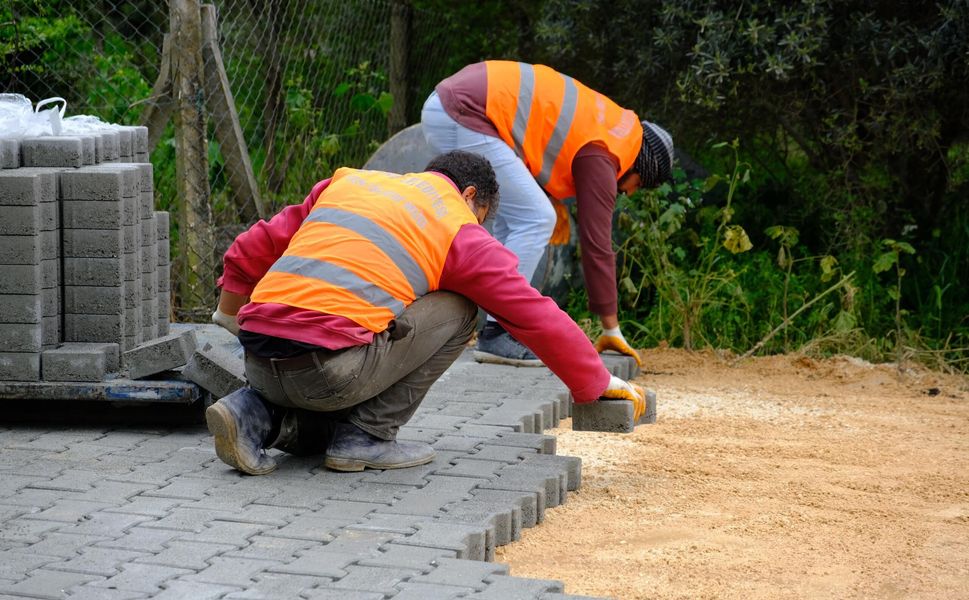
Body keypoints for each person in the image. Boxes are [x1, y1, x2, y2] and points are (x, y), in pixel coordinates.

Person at [206, 150, 647, 475]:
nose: (478, 227)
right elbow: (532, 313)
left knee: (326, 331)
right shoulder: (456, 225)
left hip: (257, 357)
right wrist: (597, 381)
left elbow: (253, 245)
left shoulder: (345, 184)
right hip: (327, 375)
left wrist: (228, 317)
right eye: (482, 216)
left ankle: (252, 411)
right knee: (462, 308)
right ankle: (366, 436)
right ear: (471, 196)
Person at [421, 60, 674, 367]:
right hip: (464, 112)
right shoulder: (605, 153)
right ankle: (498, 333)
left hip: (453, 105)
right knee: (537, 218)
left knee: (513, 223)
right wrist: (611, 327)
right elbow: (597, 245)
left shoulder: (609, 128)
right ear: (642, 166)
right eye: (640, 185)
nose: (631, 192)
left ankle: (482, 326)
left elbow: (543, 133)